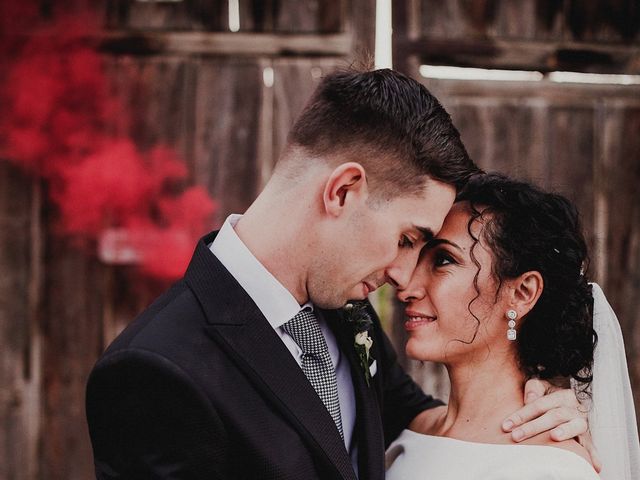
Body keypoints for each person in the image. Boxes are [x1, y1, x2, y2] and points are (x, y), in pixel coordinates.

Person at [86, 70, 593, 480]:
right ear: (344, 190)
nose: (402, 275)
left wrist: (534, 418)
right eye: (406, 239)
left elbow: (408, 413)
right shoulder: (155, 371)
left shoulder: (345, 308)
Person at [387, 173, 639, 479]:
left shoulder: (552, 468)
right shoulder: (410, 432)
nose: (406, 287)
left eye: (443, 260)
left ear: (522, 293)